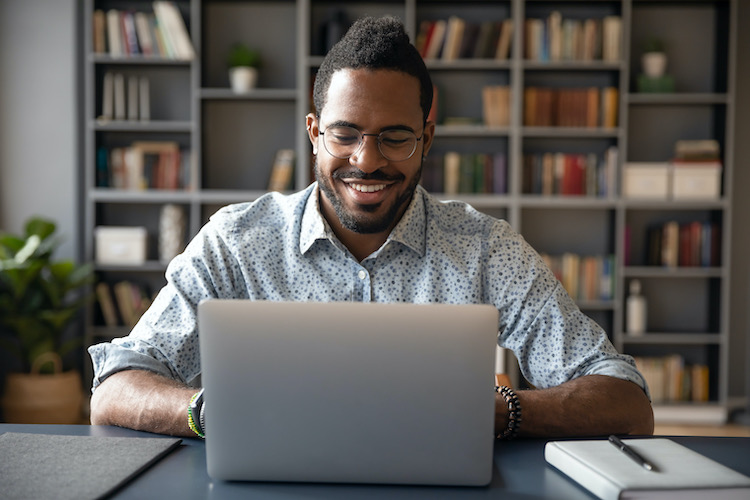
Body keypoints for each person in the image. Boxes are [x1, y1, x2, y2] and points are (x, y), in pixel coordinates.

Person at [89, 16, 653, 439]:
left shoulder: (486, 249)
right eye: (345, 133)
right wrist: (210, 412)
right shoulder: (237, 243)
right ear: (314, 133)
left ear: (427, 137)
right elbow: (115, 386)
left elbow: (627, 401)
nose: (367, 160)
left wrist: (506, 411)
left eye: (395, 136)